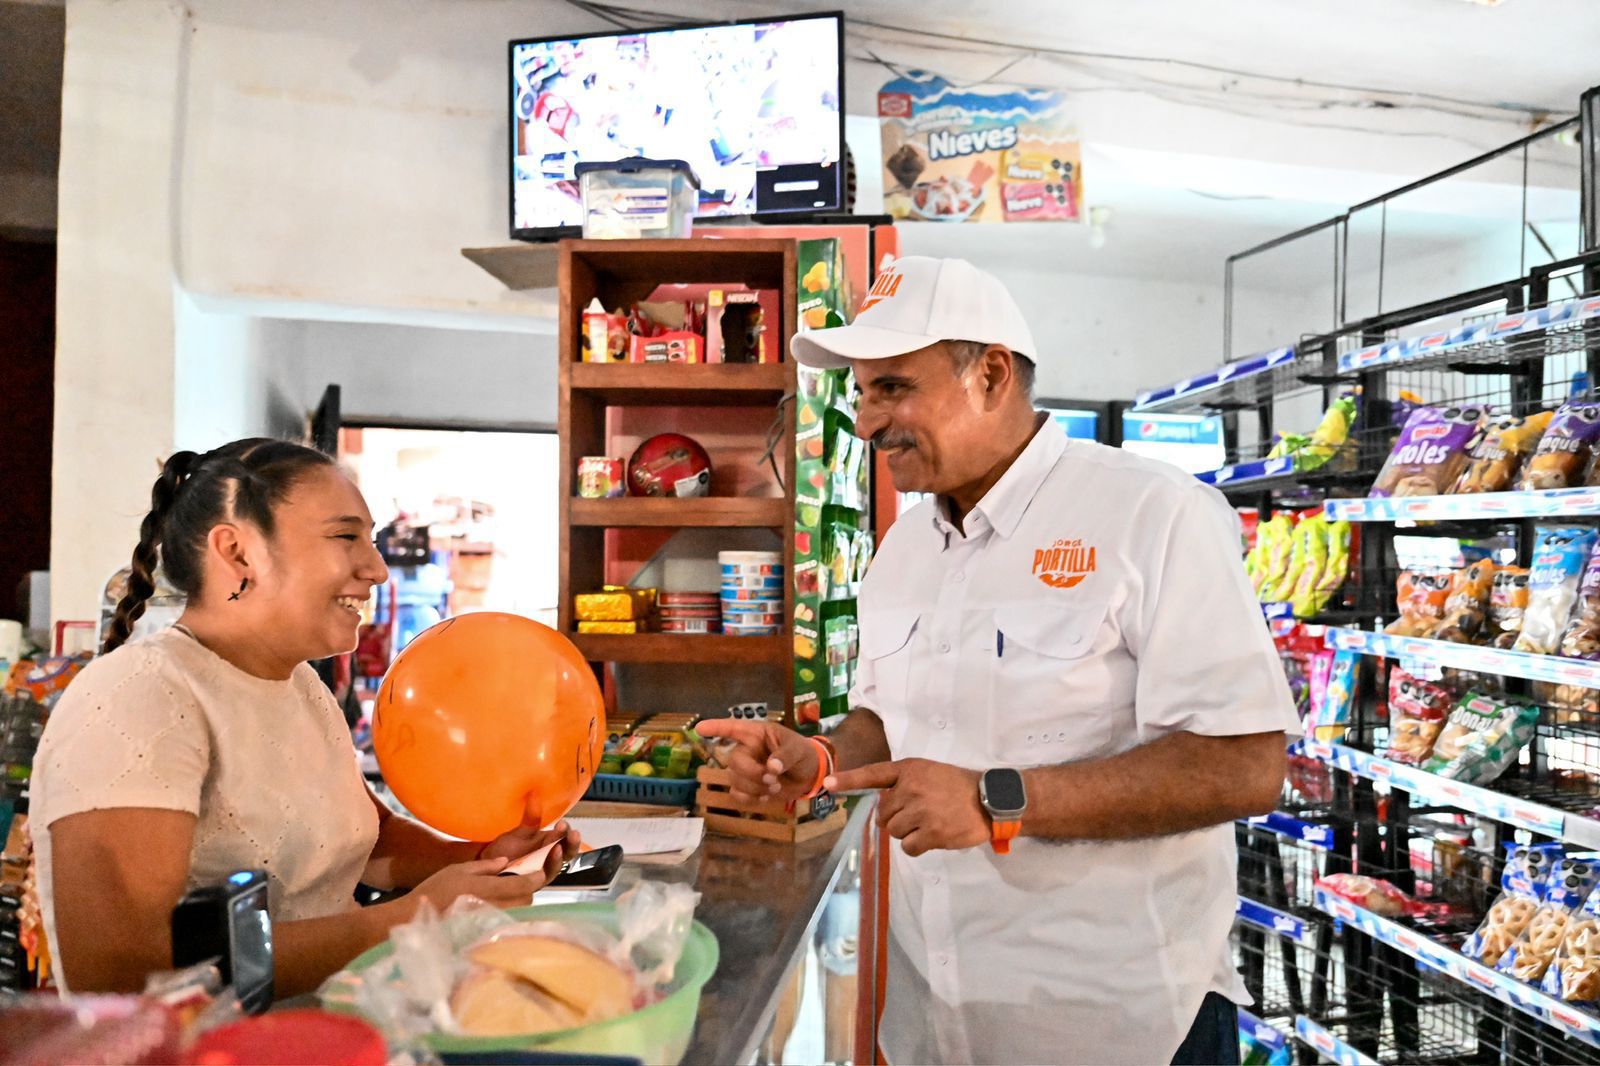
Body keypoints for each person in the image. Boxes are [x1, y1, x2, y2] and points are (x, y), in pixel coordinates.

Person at [698, 257, 1299, 1065]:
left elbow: (1247, 766)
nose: (867, 423)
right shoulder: (905, 548)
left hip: (1121, 1029)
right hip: (936, 1025)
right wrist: (823, 760)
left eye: (893, 388)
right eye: (861, 392)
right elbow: (888, 717)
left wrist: (997, 801)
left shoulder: (1156, 515)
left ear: (990, 373)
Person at [32, 439, 577, 996]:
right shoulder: (140, 695)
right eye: (346, 537)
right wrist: (410, 918)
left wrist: (483, 860)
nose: (379, 569)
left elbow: (367, 842)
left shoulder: (302, 685)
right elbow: (123, 976)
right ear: (239, 553)